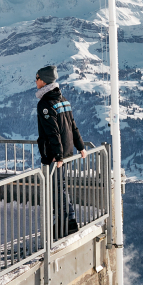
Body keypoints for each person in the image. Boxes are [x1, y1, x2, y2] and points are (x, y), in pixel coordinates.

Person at [34, 65, 87, 236]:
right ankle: (69, 220)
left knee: (56, 189)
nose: (35, 81)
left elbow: (52, 132)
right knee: (61, 187)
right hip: (66, 153)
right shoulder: (63, 100)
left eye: (37, 78)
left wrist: (57, 156)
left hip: (55, 156)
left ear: (44, 81)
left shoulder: (45, 104)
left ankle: (64, 223)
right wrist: (81, 147)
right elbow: (73, 126)